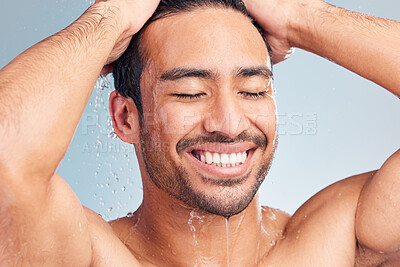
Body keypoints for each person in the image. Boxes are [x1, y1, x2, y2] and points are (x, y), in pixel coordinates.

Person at [0, 0, 399, 265]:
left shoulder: (336, 242)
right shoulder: (89, 256)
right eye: (190, 93)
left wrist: (300, 16)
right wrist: (111, 19)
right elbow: (7, 155)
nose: (229, 123)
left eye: (252, 90)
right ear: (126, 118)